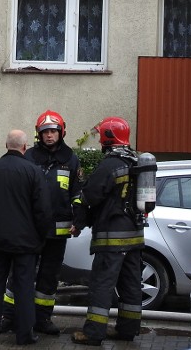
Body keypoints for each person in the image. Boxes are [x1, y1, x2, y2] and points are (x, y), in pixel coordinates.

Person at [0, 110, 83, 336]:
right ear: (39, 134)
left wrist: (79, 220)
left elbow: (77, 193)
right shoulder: (28, 157)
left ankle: (42, 319)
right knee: (19, 274)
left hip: (58, 231)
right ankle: (9, 316)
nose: (49, 136)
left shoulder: (71, 160)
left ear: (61, 132)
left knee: (49, 276)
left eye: (53, 131)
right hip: (30, 229)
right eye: (45, 132)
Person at [70, 117, 145, 346]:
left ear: (108, 137)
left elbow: (89, 196)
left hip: (111, 237)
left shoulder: (110, 165)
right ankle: (128, 329)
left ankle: (93, 333)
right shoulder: (136, 162)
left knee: (102, 285)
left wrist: (79, 222)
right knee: (131, 285)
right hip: (135, 236)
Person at [0, 129, 51, 346]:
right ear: (25, 147)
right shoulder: (33, 171)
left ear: (5, 145)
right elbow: (43, 209)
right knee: (24, 286)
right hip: (26, 242)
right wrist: (40, 236)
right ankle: (24, 334)